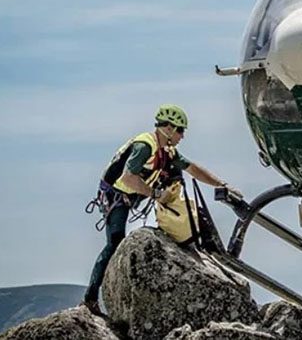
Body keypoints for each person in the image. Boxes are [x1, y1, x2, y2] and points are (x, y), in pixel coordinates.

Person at [82, 104, 236, 315]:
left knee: (173, 176)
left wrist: (222, 184)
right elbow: (128, 177)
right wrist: (154, 194)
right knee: (114, 242)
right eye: (180, 130)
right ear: (169, 128)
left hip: (131, 193)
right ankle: (90, 299)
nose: (182, 136)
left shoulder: (167, 151)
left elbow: (192, 169)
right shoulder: (145, 146)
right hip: (115, 195)